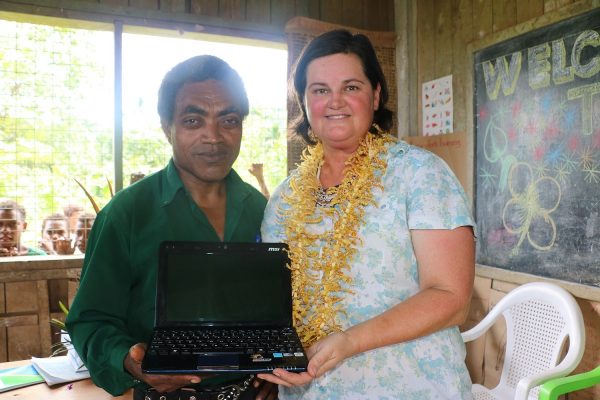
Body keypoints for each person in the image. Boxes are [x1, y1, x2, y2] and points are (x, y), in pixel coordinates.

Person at [259, 29, 476, 399]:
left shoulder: (420, 175)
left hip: (413, 387)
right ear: (305, 101)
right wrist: (276, 357)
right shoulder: (285, 198)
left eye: (351, 87)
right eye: (320, 90)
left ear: (376, 95)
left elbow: (451, 298)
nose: (335, 102)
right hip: (311, 390)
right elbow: (275, 302)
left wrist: (350, 341)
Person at [65, 55, 276, 400]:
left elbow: (277, 308)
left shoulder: (264, 211)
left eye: (229, 120)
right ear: (167, 127)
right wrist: (129, 360)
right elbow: (90, 320)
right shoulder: (126, 214)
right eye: (193, 120)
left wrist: (276, 364)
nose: (214, 137)